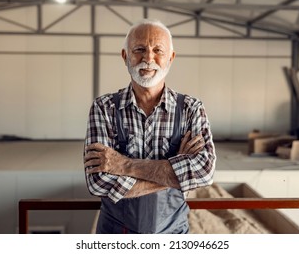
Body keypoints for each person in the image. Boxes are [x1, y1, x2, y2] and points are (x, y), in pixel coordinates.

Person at [83, 19, 216, 234]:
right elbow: (98, 182)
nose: (148, 58)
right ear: (125, 56)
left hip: (173, 236)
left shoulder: (191, 108)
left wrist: (124, 165)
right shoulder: (104, 107)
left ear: (170, 58)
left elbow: (204, 173)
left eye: (158, 50)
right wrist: (177, 172)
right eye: (139, 49)